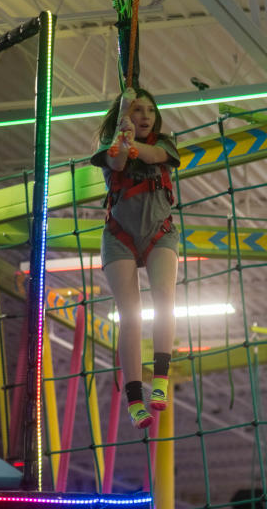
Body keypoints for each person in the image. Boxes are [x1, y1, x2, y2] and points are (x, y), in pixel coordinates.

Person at [91, 86, 179, 429]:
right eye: (137, 110)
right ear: (125, 116)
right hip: (120, 238)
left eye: (149, 111)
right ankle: (133, 400)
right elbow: (117, 160)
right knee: (130, 315)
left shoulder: (165, 144)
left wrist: (131, 142)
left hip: (159, 232)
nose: (145, 117)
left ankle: (160, 379)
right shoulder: (109, 147)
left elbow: (152, 156)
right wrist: (120, 136)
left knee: (164, 298)